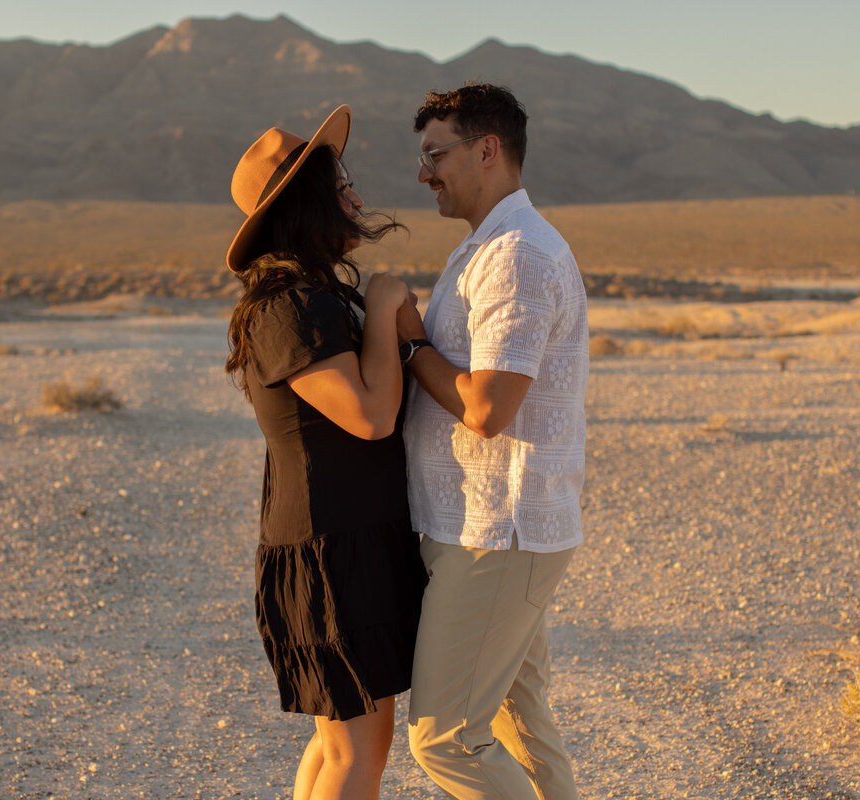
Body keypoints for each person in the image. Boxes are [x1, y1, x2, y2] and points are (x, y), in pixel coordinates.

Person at [224, 105, 428, 799]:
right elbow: (369, 416)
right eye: (343, 188)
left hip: (343, 540)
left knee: (339, 743)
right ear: (308, 201)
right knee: (356, 751)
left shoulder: (308, 296)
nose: (359, 200)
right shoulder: (289, 305)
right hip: (330, 549)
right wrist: (382, 307)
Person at [396, 84, 588, 799]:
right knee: (521, 722)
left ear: (487, 150)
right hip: (491, 528)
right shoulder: (486, 248)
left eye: (435, 154)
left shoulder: (515, 255)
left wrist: (410, 339)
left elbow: (488, 408)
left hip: (498, 534)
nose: (424, 175)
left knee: (447, 738)